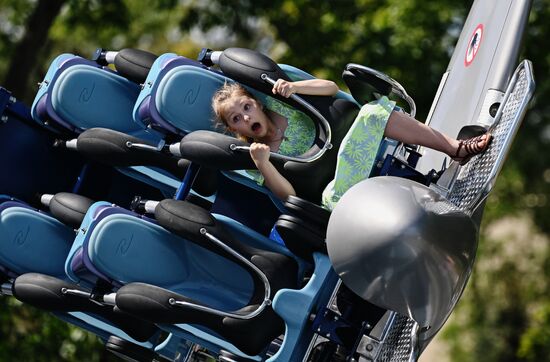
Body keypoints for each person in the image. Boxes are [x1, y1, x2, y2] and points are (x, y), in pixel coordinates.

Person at [212, 79, 491, 209]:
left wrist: (296, 88)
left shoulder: (282, 102)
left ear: (257, 102)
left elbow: (330, 88)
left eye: (247, 107)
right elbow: (289, 197)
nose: (246, 117)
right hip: (334, 185)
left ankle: (456, 148)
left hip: (351, 145)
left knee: (371, 112)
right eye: (237, 118)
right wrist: (262, 163)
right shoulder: (253, 157)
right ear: (233, 128)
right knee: (331, 200)